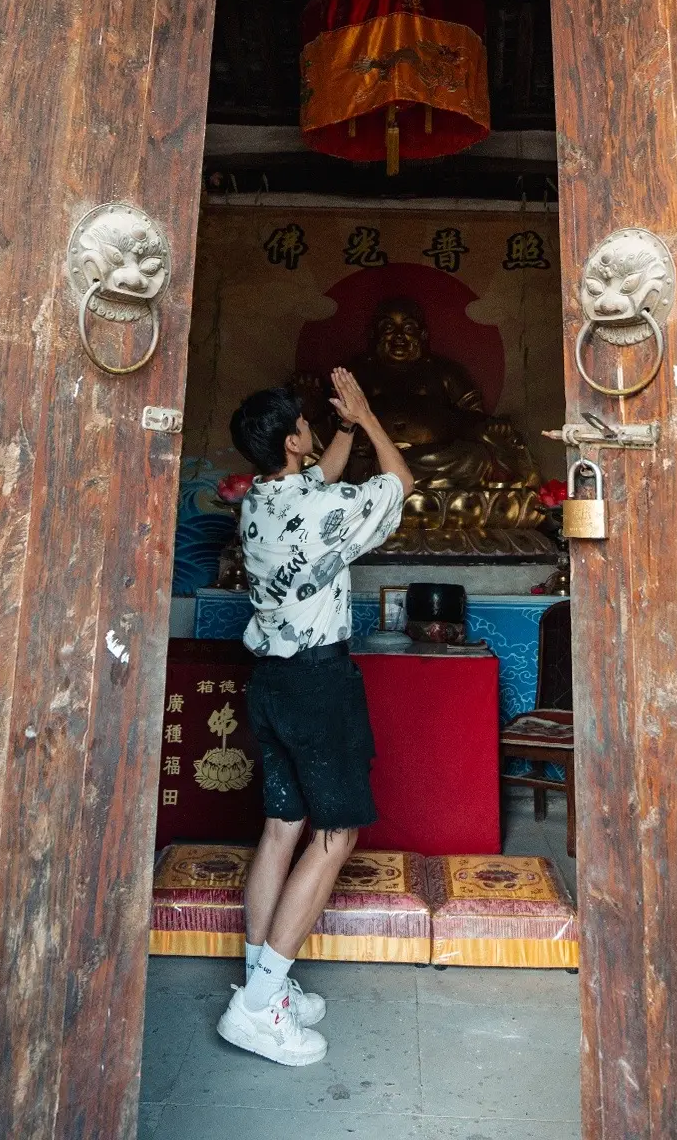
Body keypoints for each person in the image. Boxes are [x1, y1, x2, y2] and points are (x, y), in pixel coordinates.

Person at [217, 366, 412, 1067]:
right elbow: (398, 486)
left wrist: (342, 430)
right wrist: (370, 417)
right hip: (317, 684)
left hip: (269, 682)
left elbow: (320, 481)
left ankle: (260, 980)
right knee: (335, 837)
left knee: (280, 829)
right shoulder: (319, 509)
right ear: (293, 440)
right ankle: (260, 1006)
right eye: (305, 423)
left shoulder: (262, 501)